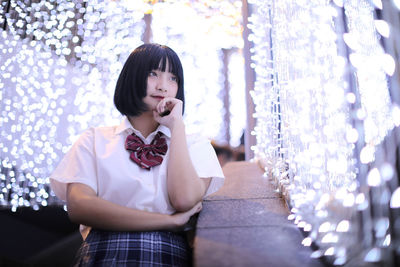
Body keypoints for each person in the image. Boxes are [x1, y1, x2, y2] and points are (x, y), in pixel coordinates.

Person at [50, 43, 225, 266]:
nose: (163, 86)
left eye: (173, 78)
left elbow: (184, 199)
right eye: (153, 74)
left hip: (167, 255)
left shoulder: (193, 143)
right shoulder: (95, 139)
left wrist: (177, 127)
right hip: (101, 254)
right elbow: (80, 207)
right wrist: (168, 222)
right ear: (132, 77)